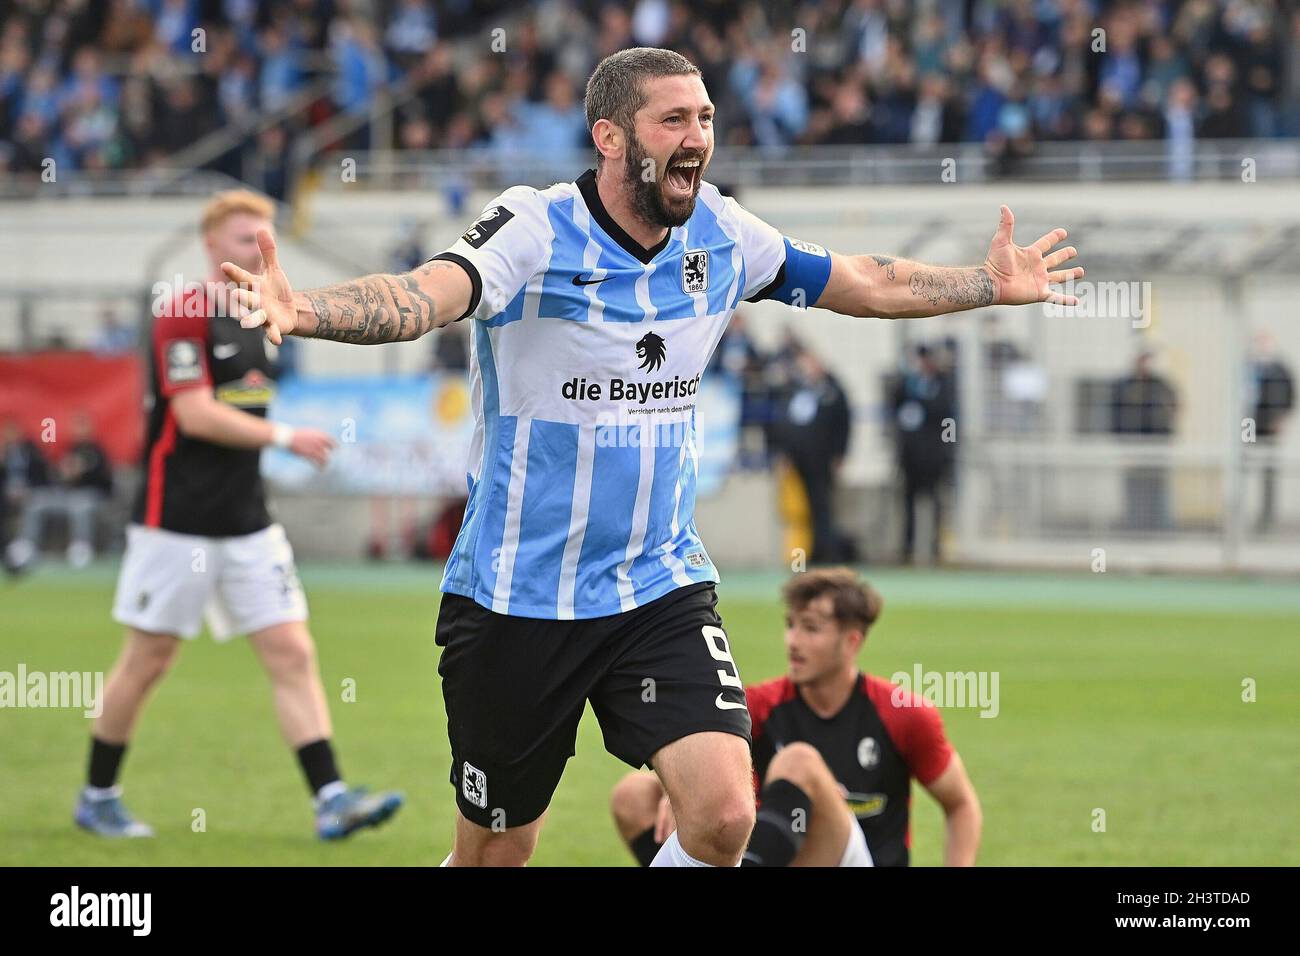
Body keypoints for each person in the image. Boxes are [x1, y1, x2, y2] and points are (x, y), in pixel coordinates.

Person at [228, 47, 1081, 867]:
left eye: (705, 117)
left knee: (724, 817)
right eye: (674, 119)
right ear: (611, 137)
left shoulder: (720, 231)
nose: (698, 137)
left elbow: (860, 280)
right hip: (518, 596)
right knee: (498, 850)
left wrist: (984, 283)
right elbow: (426, 295)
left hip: (655, 583)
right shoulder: (535, 227)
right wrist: (303, 309)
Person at [76, 190, 403, 840]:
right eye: (240, 239)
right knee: (149, 660)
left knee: (291, 651)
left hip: (248, 519)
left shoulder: (264, 313)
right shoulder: (184, 311)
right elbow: (194, 415)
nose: (254, 251)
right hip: (176, 519)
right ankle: (98, 794)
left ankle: (331, 798)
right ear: (210, 246)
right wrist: (285, 438)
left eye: (263, 239)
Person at [610, 568, 982, 866]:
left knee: (798, 761)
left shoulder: (903, 714)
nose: (793, 640)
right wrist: (673, 794)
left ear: (852, 640)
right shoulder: (759, 705)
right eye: (791, 625)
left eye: (811, 628)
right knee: (634, 794)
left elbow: (961, 804)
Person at [5, 411, 112, 570]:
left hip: (92, 497)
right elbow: (59, 479)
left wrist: (84, 471)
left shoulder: (98, 451)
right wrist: (65, 474)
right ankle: (27, 545)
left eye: (83, 426)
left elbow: (105, 483)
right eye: (77, 426)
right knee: (37, 501)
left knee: (80, 505)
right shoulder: (71, 450)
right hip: (67, 496)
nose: (79, 430)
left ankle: (81, 547)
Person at [893, 344, 957, 562]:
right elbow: (895, 405)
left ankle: (935, 546)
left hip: (933, 453)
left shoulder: (942, 384)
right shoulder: (908, 384)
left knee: (935, 499)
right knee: (908, 500)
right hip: (910, 453)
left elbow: (944, 413)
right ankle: (908, 547)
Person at [1111, 350, 1177, 530]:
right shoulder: (1125, 386)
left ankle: (1160, 526)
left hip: (1157, 443)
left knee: (1157, 486)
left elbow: (1175, 407)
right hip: (1132, 444)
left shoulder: (1161, 385)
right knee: (1134, 487)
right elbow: (1115, 415)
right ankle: (1134, 525)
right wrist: (1122, 445)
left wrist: (1169, 434)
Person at [1246, 332, 1294, 531]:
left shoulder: (1280, 370)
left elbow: (1290, 396)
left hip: (1271, 428)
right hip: (1249, 425)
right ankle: (1242, 513)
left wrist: (1281, 419)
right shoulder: (1250, 368)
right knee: (1243, 465)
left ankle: (1268, 517)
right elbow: (1242, 399)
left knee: (1269, 472)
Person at [1, 420, 51, 575]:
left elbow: (41, 474)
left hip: (31, 492)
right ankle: (11, 555)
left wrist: (26, 490)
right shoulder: (4, 453)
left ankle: (25, 548)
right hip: (6, 496)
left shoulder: (30, 451)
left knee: (35, 504)